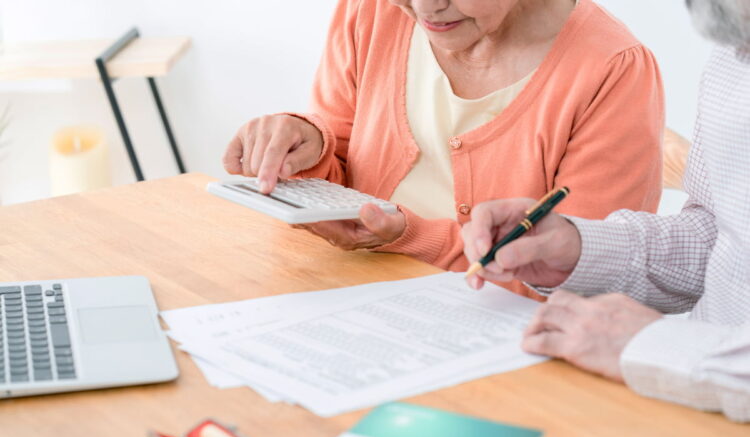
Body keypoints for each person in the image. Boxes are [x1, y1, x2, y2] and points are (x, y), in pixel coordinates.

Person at [223, 0, 664, 299]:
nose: (424, 7)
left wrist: (411, 238)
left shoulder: (611, 69)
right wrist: (310, 145)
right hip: (349, 298)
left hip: (501, 351)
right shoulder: (374, 11)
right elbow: (341, 176)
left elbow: (582, 282)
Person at [461, 0, 750, 422]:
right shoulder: (732, 49)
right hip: (689, 410)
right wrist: (580, 250)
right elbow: (724, 237)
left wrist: (656, 345)